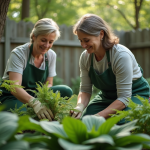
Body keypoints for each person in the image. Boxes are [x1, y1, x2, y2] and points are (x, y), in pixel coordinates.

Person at [70, 14, 150, 124]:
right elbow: (85, 90)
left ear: (101, 34)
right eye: (80, 40)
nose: (83, 45)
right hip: (108, 96)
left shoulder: (121, 55)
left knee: (122, 123)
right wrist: (79, 107)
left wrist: (98, 117)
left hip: (133, 94)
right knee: (85, 121)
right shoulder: (85, 57)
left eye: (86, 40)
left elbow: (124, 98)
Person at [0, 18, 73, 121]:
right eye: (43, 40)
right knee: (22, 113)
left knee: (66, 91)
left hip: (35, 94)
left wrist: (44, 100)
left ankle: (40, 111)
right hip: (12, 96)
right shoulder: (19, 53)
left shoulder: (51, 55)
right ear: (34, 36)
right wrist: (35, 103)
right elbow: (14, 88)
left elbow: (48, 84)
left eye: (50, 42)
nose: (47, 45)